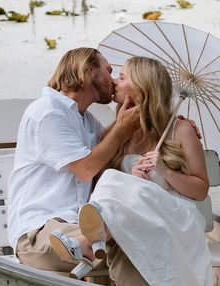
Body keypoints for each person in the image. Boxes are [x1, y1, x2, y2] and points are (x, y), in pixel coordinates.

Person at [51, 57, 214, 286]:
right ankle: (90, 245)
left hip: (174, 218)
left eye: (122, 77)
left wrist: (165, 171)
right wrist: (132, 179)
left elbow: (201, 190)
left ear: (141, 88)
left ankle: (86, 245)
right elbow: (93, 181)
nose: (114, 81)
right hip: (136, 218)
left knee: (113, 180)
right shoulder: (116, 133)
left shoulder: (180, 130)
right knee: (114, 180)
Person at [7, 47, 140, 273]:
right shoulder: (48, 112)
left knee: (139, 242)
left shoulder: (84, 119)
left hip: (81, 225)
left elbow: (113, 145)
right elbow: (85, 168)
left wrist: (174, 125)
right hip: (40, 232)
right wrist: (121, 128)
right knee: (133, 243)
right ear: (88, 71)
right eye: (108, 71)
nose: (113, 79)